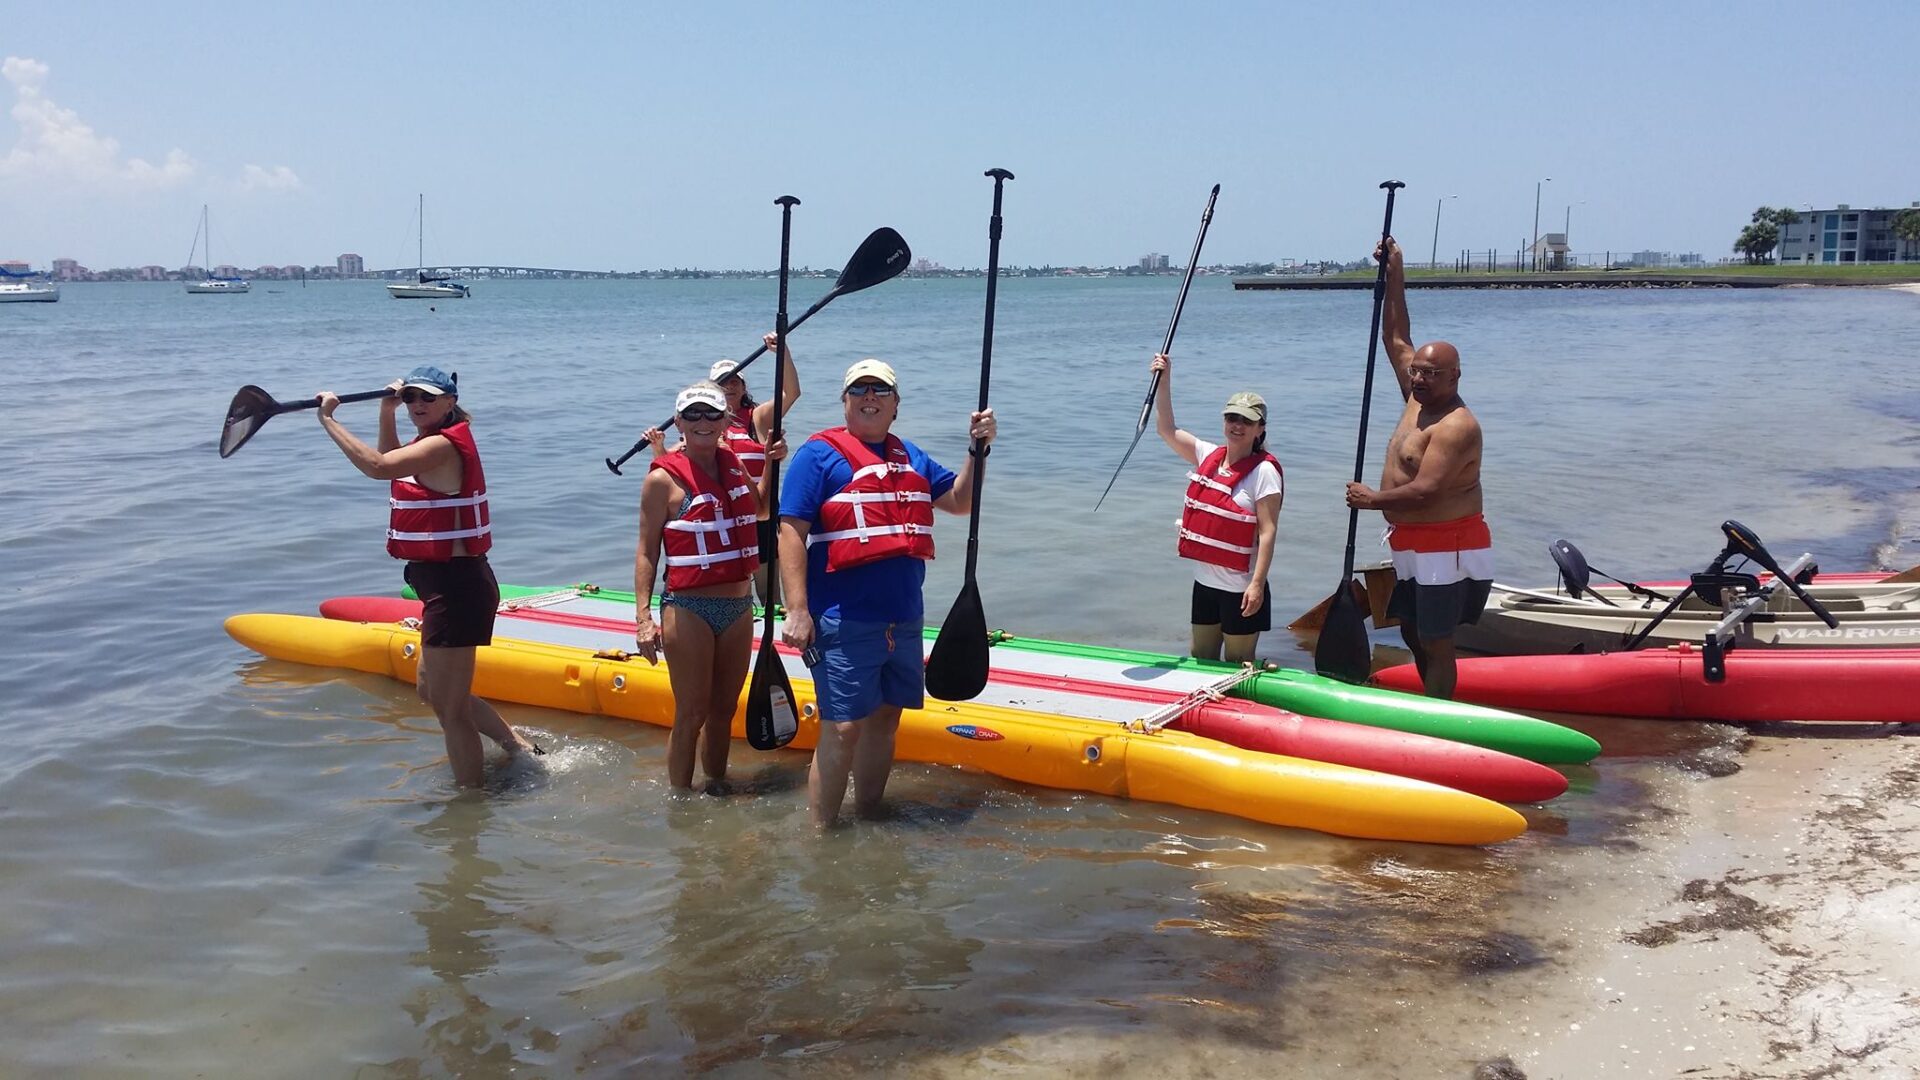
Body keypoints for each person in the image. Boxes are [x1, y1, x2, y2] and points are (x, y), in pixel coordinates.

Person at [777, 359, 996, 827]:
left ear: (896, 405)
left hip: (903, 615)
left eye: (880, 390)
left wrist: (977, 451)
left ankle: (871, 817)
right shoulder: (818, 455)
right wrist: (796, 610)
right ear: (845, 401)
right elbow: (790, 531)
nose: (870, 396)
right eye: (859, 389)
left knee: (885, 720)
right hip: (841, 615)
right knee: (843, 726)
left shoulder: (910, 455)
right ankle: (822, 834)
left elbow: (960, 501)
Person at [316, 365, 538, 788]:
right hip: (446, 586)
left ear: (450, 402)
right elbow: (395, 467)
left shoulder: (441, 446)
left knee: (450, 711)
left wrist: (329, 420)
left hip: (458, 588)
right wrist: (386, 411)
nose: (417, 405)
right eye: (410, 398)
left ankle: (471, 803)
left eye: (428, 398)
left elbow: (379, 466)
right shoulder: (429, 443)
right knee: (430, 692)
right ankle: (518, 747)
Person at [1343, 237, 1491, 700]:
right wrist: (1394, 272)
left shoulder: (1457, 425)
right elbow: (1396, 337)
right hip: (1409, 542)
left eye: (1432, 374)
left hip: (1446, 544)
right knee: (1407, 627)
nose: (1420, 379)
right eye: (1417, 372)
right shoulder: (1415, 395)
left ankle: (1441, 710)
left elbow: (1427, 489)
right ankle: (1430, 695)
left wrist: (1374, 500)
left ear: (1455, 377)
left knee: (1435, 637)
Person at [632, 381, 786, 794]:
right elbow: (647, 553)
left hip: (739, 608)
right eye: (693, 414)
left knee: (723, 711)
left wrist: (771, 463)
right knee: (692, 713)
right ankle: (680, 802)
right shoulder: (662, 481)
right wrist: (643, 618)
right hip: (689, 608)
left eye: (712, 414)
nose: (703, 422)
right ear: (679, 421)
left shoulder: (733, 461)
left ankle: (716, 789)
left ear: (726, 420)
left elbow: (762, 509)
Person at [1150, 353, 1284, 664]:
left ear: (1259, 429)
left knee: (1238, 661)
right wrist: (1164, 378)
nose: (1237, 426)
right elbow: (1166, 429)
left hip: (1242, 589)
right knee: (1201, 656)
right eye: (1232, 418)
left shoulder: (1264, 472)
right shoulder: (1207, 454)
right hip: (1205, 585)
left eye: (1246, 421)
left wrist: (1257, 584)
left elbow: (1268, 531)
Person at [711, 333, 799, 604]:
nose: (729, 386)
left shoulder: (757, 418)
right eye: (723, 382)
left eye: (735, 380)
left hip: (760, 512)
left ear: (743, 385)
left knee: (769, 595)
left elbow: (791, 393)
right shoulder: (702, 424)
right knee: (729, 593)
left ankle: (773, 639)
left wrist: (782, 353)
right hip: (722, 517)